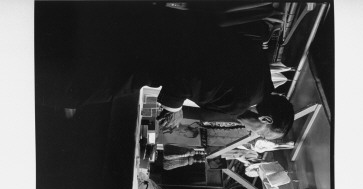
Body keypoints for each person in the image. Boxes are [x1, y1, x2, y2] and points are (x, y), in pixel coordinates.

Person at [36, 3, 294, 139]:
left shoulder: (261, 68)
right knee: (74, 92)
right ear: (266, 120)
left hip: (160, 23)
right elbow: (186, 77)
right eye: (258, 132)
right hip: (147, 55)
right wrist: (173, 108)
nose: (251, 132)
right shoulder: (241, 102)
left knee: (78, 29)